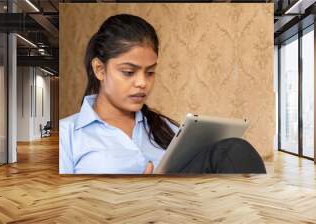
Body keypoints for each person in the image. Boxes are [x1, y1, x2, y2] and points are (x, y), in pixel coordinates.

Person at [59, 14, 266, 174]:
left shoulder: (166, 129)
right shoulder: (67, 135)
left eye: (150, 72)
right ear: (99, 70)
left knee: (233, 149)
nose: (142, 83)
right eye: (129, 72)